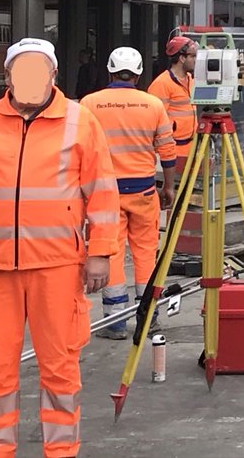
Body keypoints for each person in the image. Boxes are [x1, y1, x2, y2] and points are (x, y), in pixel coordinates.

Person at [0, 38, 118, 458]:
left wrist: (100, 252)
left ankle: (61, 451)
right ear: (7, 76)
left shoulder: (81, 121)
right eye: (21, 72)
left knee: (59, 368)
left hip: (57, 266)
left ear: (53, 75)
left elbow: (102, 191)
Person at [81, 47, 177, 340]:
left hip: (104, 195)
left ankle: (115, 323)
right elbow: (167, 151)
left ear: (110, 71)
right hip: (144, 191)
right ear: (138, 74)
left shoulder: (89, 104)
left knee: (110, 253)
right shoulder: (153, 105)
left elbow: (78, 150)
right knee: (146, 254)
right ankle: (149, 318)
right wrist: (169, 187)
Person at [148, 35, 198, 177]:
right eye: (192, 56)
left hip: (190, 147)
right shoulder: (161, 84)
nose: (196, 60)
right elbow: (153, 123)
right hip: (172, 150)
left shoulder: (190, 79)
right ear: (182, 58)